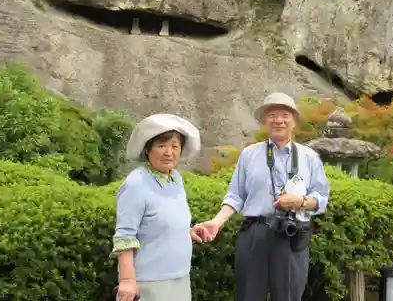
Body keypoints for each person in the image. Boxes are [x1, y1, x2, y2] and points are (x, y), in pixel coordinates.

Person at [195, 92, 330, 301]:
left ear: (294, 121)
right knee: (249, 295)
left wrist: (301, 202)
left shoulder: (309, 157)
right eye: (272, 115)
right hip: (254, 233)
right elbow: (235, 196)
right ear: (264, 121)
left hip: (291, 235)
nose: (278, 120)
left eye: (285, 115)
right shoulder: (249, 155)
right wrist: (216, 222)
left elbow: (321, 198)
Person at [110, 113, 210, 301]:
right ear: (148, 149)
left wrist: (186, 232)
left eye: (174, 146)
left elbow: (159, 221)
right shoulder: (136, 183)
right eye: (161, 145)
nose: (169, 152)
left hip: (180, 278)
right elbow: (125, 236)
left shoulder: (175, 178)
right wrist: (128, 281)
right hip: (149, 284)